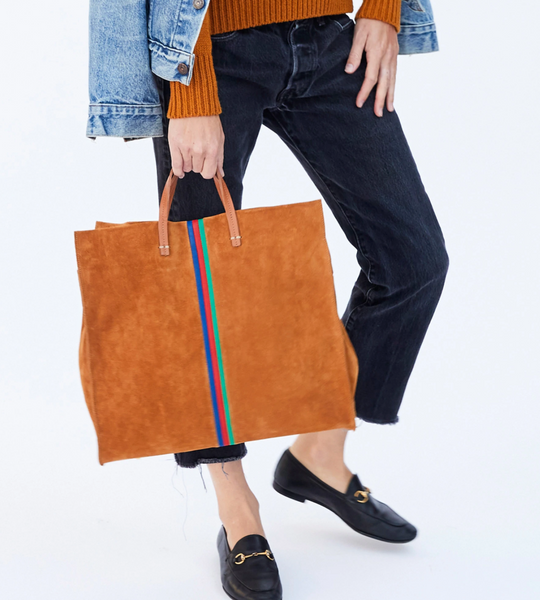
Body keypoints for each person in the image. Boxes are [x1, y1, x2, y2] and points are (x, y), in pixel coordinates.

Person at [88, 1, 447, 598]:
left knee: (414, 260)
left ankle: (318, 454)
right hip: (211, 50)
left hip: (330, 41)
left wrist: (384, 9)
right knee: (200, 287)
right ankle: (238, 509)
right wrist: (192, 90)